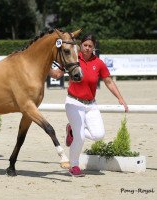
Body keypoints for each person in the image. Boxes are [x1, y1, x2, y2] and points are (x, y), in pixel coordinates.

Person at [49, 33, 128, 177]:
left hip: (91, 105)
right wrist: (44, 67)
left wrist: (120, 98)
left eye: (90, 46)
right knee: (80, 137)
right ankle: (74, 166)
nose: (87, 48)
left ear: (94, 48)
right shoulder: (73, 57)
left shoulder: (99, 63)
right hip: (73, 102)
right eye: (85, 45)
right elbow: (56, 75)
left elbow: (109, 82)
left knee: (99, 135)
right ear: (80, 45)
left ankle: (72, 130)